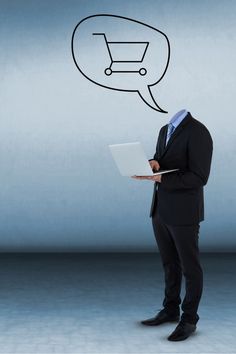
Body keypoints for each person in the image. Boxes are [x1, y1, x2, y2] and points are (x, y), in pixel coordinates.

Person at [132, 109, 213, 341]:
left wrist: (162, 178)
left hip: (184, 212)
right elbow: (165, 161)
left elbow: (199, 177)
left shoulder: (198, 131)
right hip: (160, 209)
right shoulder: (165, 129)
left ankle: (189, 320)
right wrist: (153, 164)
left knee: (190, 267)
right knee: (170, 264)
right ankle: (170, 310)